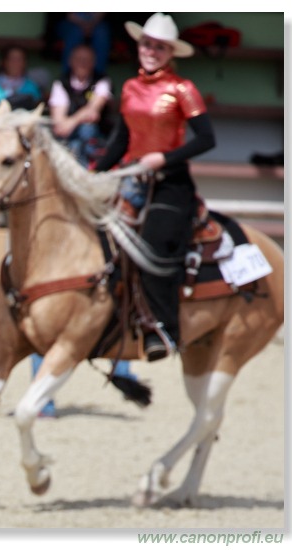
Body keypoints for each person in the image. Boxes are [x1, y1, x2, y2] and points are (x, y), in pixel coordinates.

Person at [94, 13, 215, 361]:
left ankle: (163, 329)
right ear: (139, 46)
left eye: (159, 47)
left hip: (171, 183)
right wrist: (94, 172)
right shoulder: (130, 87)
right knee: (101, 240)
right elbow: (120, 141)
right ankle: (114, 318)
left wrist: (164, 158)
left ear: (170, 52)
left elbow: (207, 139)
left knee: (152, 247)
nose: (151, 51)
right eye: (147, 44)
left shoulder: (182, 88)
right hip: (132, 178)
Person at [48, 43, 114, 168]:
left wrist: (71, 122)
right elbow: (58, 121)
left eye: (86, 60)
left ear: (93, 62)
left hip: (95, 137)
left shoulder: (102, 80)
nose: (82, 63)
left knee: (86, 130)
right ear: (70, 61)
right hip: (68, 136)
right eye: (79, 59)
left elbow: (93, 110)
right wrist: (68, 124)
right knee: (71, 143)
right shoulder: (62, 82)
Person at [0, 44, 42, 138]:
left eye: (19, 59)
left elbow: (35, 117)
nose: (15, 63)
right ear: (3, 62)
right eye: (12, 59)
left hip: (23, 134)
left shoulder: (31, 87)